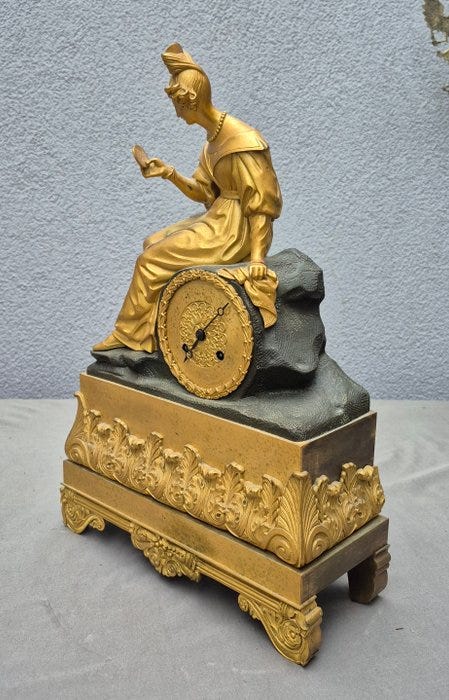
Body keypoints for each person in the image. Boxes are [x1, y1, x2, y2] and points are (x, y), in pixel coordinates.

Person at [93, 43, 282, 353]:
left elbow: (262, 203)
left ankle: (129, 334)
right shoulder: (212, 142)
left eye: (178, 105)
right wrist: (169, 173)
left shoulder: (242, 141)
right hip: (220, 216)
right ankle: (156, 332)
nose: (176, 113)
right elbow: (203, 192)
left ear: (191, 101)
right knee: (151, 242)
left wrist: (258, 259)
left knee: (149, 262)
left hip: (236, 230)